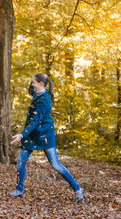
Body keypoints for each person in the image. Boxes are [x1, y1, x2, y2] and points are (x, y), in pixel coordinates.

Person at [10, 73, 83, 202]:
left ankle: (77, 189)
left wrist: (21, 135)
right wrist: (35, 78)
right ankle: (19, 190)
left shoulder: (44, 100)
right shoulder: (35, 92)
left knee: (55, 164)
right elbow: (30, 89)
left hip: (44, 135)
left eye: (34, 82)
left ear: (41, 84)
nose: (32, 84)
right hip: (31, 134)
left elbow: (35, 121)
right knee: (21, 161)